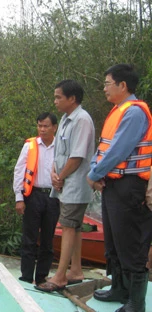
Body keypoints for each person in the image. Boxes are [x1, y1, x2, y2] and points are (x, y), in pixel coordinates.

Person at [87, 64, 152, 312]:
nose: (104, 88)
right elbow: (104, 147)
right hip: (112, 184)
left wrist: (94, 173)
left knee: (131, 243)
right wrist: (95, 170)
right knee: (113, 240)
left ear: (122, 85)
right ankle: (119, 288)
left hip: (130, 185)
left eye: (107, 83)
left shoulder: (134, 113)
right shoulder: (117, 111)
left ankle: (136, 302)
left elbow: (119, 151)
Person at [35, 80, 95, 292]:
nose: (55, 101)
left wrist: (59, 176)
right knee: (74, 227)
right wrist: (54, 172)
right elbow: (59, 152)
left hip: (75, 184)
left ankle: (60, 277)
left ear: (72, 98)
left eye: (59, 97)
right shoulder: (65, 119)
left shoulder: (82, 120)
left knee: (68, 226)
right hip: (63, 183)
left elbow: (77, 156)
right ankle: (75, 270)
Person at [13, 112, 59, 286]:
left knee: (48, 240)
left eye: (46, 126)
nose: (42, 129)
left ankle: (41, 278)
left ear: (54, 127)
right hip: (33, 196)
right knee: (29, 239)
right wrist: (19, 198)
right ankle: (26, 277)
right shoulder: (30, 146)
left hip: (54, 197)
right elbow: (19, 171)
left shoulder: (61, 146)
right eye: (40, 125)